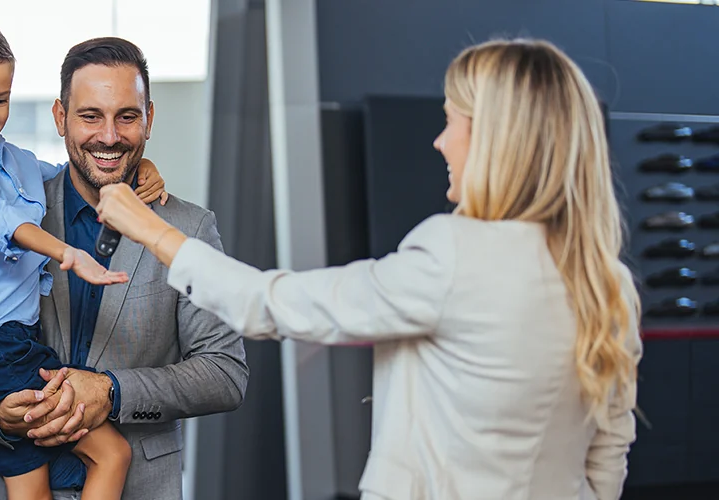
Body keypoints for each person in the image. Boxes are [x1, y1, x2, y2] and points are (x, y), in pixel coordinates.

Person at [95, 38, 642, 500]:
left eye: (451, 122)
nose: (440, 141)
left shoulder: (454, 252)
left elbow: (271, 303)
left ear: (495, 139)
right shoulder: (608, 282)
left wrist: (153, 231)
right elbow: (606, 461)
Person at [0, 37, 249, 500]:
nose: (110, 136)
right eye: (90, 115)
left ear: (149, 119)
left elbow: (225, 373)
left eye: (127, 116)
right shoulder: (10, 207)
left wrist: (111, 391)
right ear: (60, 118)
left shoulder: (189, 229)